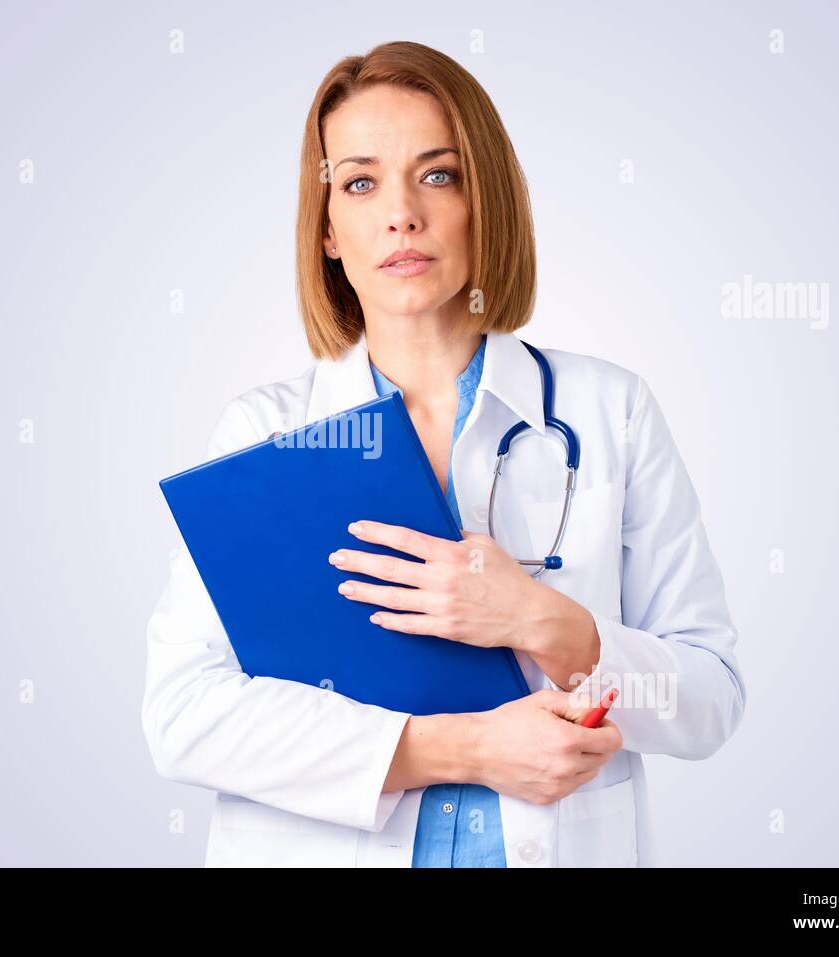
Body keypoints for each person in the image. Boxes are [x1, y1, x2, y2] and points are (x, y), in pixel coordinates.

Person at [142, 40, 745, 867]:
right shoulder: (259, 436)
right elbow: (184, 716)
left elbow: (709, 698)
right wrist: (463, 749)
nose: (401, 214)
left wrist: (545, 622)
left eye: (438, 174)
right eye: (359, 182)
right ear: (327, 228)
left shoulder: (613, 412)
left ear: (483, 199)